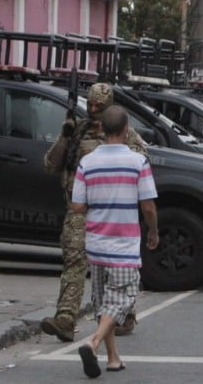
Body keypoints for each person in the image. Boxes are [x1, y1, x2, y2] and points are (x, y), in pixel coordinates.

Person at [41, 83, 148, 342]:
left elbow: (143, 160)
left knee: (115, 266)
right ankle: (65, 318)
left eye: (99, 106)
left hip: (110, 210)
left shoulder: (125, 133)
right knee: (74, 262)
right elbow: (50, 165)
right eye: (89, 105)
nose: (92, 110)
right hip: (78, 210)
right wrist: (65, 137)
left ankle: (124, 314)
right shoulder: (76, 131)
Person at [71, 105, 159, 378]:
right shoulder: (137, 162)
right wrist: (154, 231)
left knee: (103, 300)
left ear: (101, 129)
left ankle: (112, 358)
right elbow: (147, 206)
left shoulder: (87, 162)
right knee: (122, 296)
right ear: (126, 129)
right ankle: (93, 341)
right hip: (123, 244)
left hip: (96, 242)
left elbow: (76, 206)